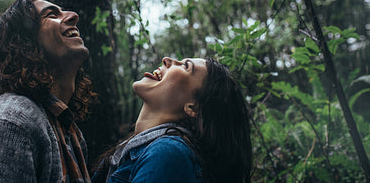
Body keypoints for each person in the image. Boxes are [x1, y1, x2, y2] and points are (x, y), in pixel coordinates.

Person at [0, 0, 95, 183]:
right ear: (25, 43)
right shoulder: (11, 120)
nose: (73, 16)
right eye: (51, 14)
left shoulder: (71, 133)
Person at [92, 57, 252, 183]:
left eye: (185, 66)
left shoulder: (169, 154)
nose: (166, 60)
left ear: (193, 107)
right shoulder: (150, 150)